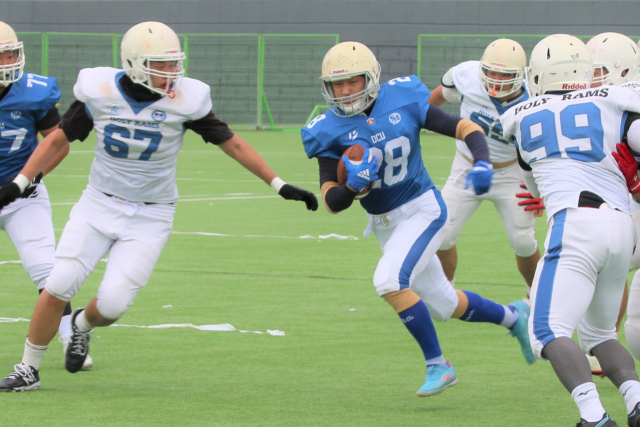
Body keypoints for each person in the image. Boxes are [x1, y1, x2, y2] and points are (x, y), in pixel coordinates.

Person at [0, 21, 318, 392]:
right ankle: (28, 367)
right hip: (98, 204)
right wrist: (22, 182)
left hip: (151, 213)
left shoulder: (187, 100)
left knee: (113, 305)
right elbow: (58, 139)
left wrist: (278, 184)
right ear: (134, 63)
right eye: (161, 65)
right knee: (57, 284)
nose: (172, 74)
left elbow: (231, 143)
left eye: (173, 64)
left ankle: (82, 326)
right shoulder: (100, 92)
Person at [302, 41, 534, 398]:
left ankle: (438, 365)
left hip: (422, 208)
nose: (344, 91)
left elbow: (466, 128)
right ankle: (514, 318)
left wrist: (483, 161)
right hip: (384, 222)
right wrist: (352, 188)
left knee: (389, 281)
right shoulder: (326, 129)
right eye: (337, 84)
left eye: (352, 81)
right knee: (444, 304)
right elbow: (332, 201)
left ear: (371, 78)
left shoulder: (403, 99)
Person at [501, 34, 640, 427]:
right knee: (599, 334)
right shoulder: (616, 102)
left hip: (576, 223)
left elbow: (532, 184)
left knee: (545, 330)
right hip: (621, 228)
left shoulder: (521, 115)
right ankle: (636, 402)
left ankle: (593, 417)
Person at [0, 21, 94, 376]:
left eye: (11, 52)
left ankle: (71, 336)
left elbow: (58, 143)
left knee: (47, 272)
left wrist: (28, 179)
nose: (9, 60)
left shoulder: (33, 92)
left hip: (22, 197)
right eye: (1, 55)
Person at [427, 39, 541, 294]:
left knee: (523, 241)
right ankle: (446, 293)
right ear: (481, 69)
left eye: (505, 74)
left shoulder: (535, 94)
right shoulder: (467, 78)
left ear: (520, 75)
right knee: (442, 234)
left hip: (513, 172)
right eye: (491, 72)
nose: (496, 79)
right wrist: (417, 121)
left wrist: (541, 189)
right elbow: (437, 97)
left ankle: (537, 296)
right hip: (467, 165)